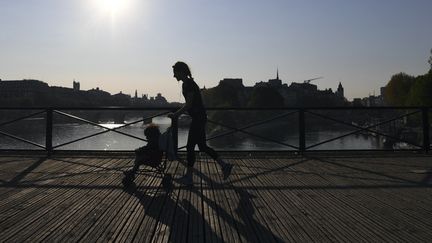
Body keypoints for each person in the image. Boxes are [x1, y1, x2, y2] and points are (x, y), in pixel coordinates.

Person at [168, 61, 233, 185]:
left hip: (198, 118)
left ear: (181, 72)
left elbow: (189, 104)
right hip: (199, 117)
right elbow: (190, 104)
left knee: (190, 147)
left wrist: (176, 114)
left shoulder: (189, 84)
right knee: (202, 146)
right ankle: (225, 165)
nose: (174, 76)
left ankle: (189, 177)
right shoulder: (187, 84)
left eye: (175, 73)